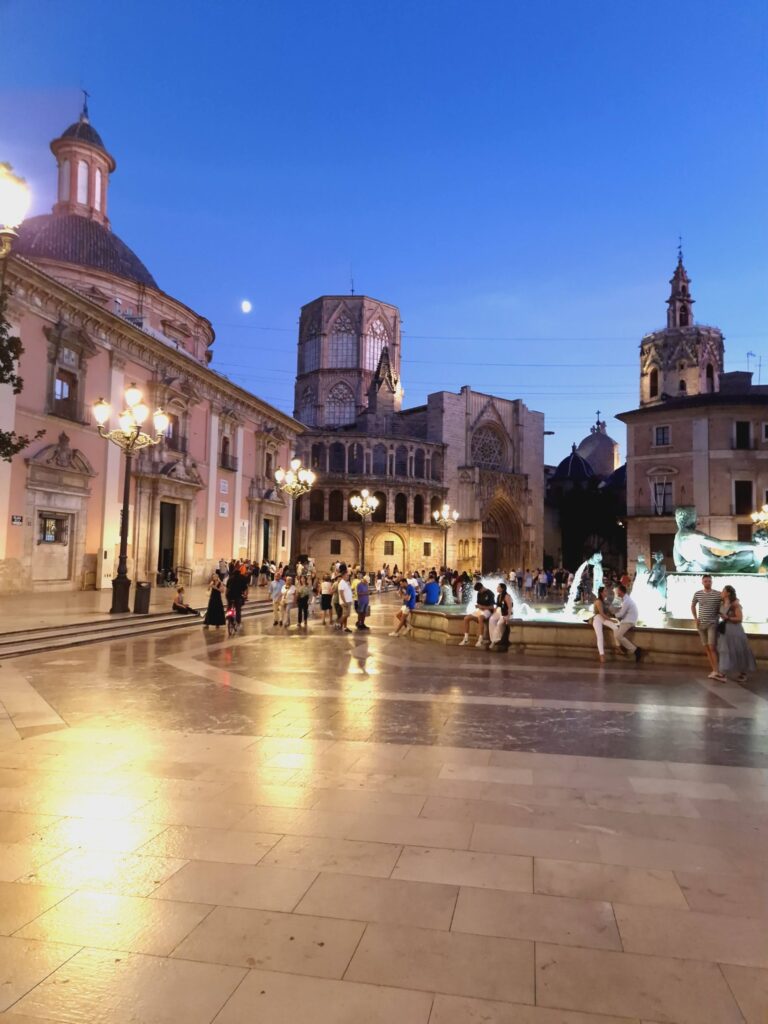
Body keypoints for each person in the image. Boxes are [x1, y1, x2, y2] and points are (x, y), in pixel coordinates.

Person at [715, 585, 756, 684]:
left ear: (728, 593)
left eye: (723, 591)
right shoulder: (722, 603)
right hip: (725, 631)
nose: (721, 592)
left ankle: (743, 673)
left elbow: (740, 618)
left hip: (735, 630)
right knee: (725, 650)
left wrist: (727, 618)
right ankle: (723, 672)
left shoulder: (735, 604)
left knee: (738, 650)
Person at [691, 573, 723, 679]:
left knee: (712, 646)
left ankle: (717, 670)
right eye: (705, 581)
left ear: (712, 582)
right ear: (702, 582)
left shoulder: (718, 594)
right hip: (701, 624)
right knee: (707, 648)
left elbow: (723, 605)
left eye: (709, 581)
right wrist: (696, 618)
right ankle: (714, 670)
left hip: (712, 623)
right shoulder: (698, 594)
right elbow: (692, 605)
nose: (707, 583)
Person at [612, 583, 642, 661]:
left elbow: (621, 614)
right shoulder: (626, 599)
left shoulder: (626, 601)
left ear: (621, 592)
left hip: (629, 621)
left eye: (618, 591)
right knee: (616, 632)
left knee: (618, 635)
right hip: (629, 620)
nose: (617, 592)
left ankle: (634, 650)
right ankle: (627, 648)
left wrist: (613, 615)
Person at [459, 581, 495, 647]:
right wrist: (478, 606)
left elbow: (492, 607)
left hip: (488, 611)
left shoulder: (490, 593)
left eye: (479, 590)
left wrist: (482, 607)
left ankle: (480, 639)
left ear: (482, 587)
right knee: (466, 618)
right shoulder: (479, 593)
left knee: (480, 618)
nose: (479, 592)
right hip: (480, 610)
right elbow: (479, 603)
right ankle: (466, 639)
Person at [591, 586, 613, 664]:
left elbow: (608, 612)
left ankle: (618, 645)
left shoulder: (604, 601)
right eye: (605, 591)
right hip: (597, 619)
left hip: (603, 619)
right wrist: (611, 620)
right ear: (601, 593)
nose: (607, 592)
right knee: (600, 637)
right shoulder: (598, 601)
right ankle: (602, 655)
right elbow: (602, 614)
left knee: (615, 627)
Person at [488, 582, 513, 648]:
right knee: (491, 620)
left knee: (499, 624)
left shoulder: (507, 596)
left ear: (502, 588)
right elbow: (497, 605)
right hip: (501, 612)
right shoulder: (499, 596)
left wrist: (508, 616)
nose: (497, 588)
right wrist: (493, 612)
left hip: (507, 613)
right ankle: (493, 638)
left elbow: (510, 607)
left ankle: (495, 640)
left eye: (498, 587)